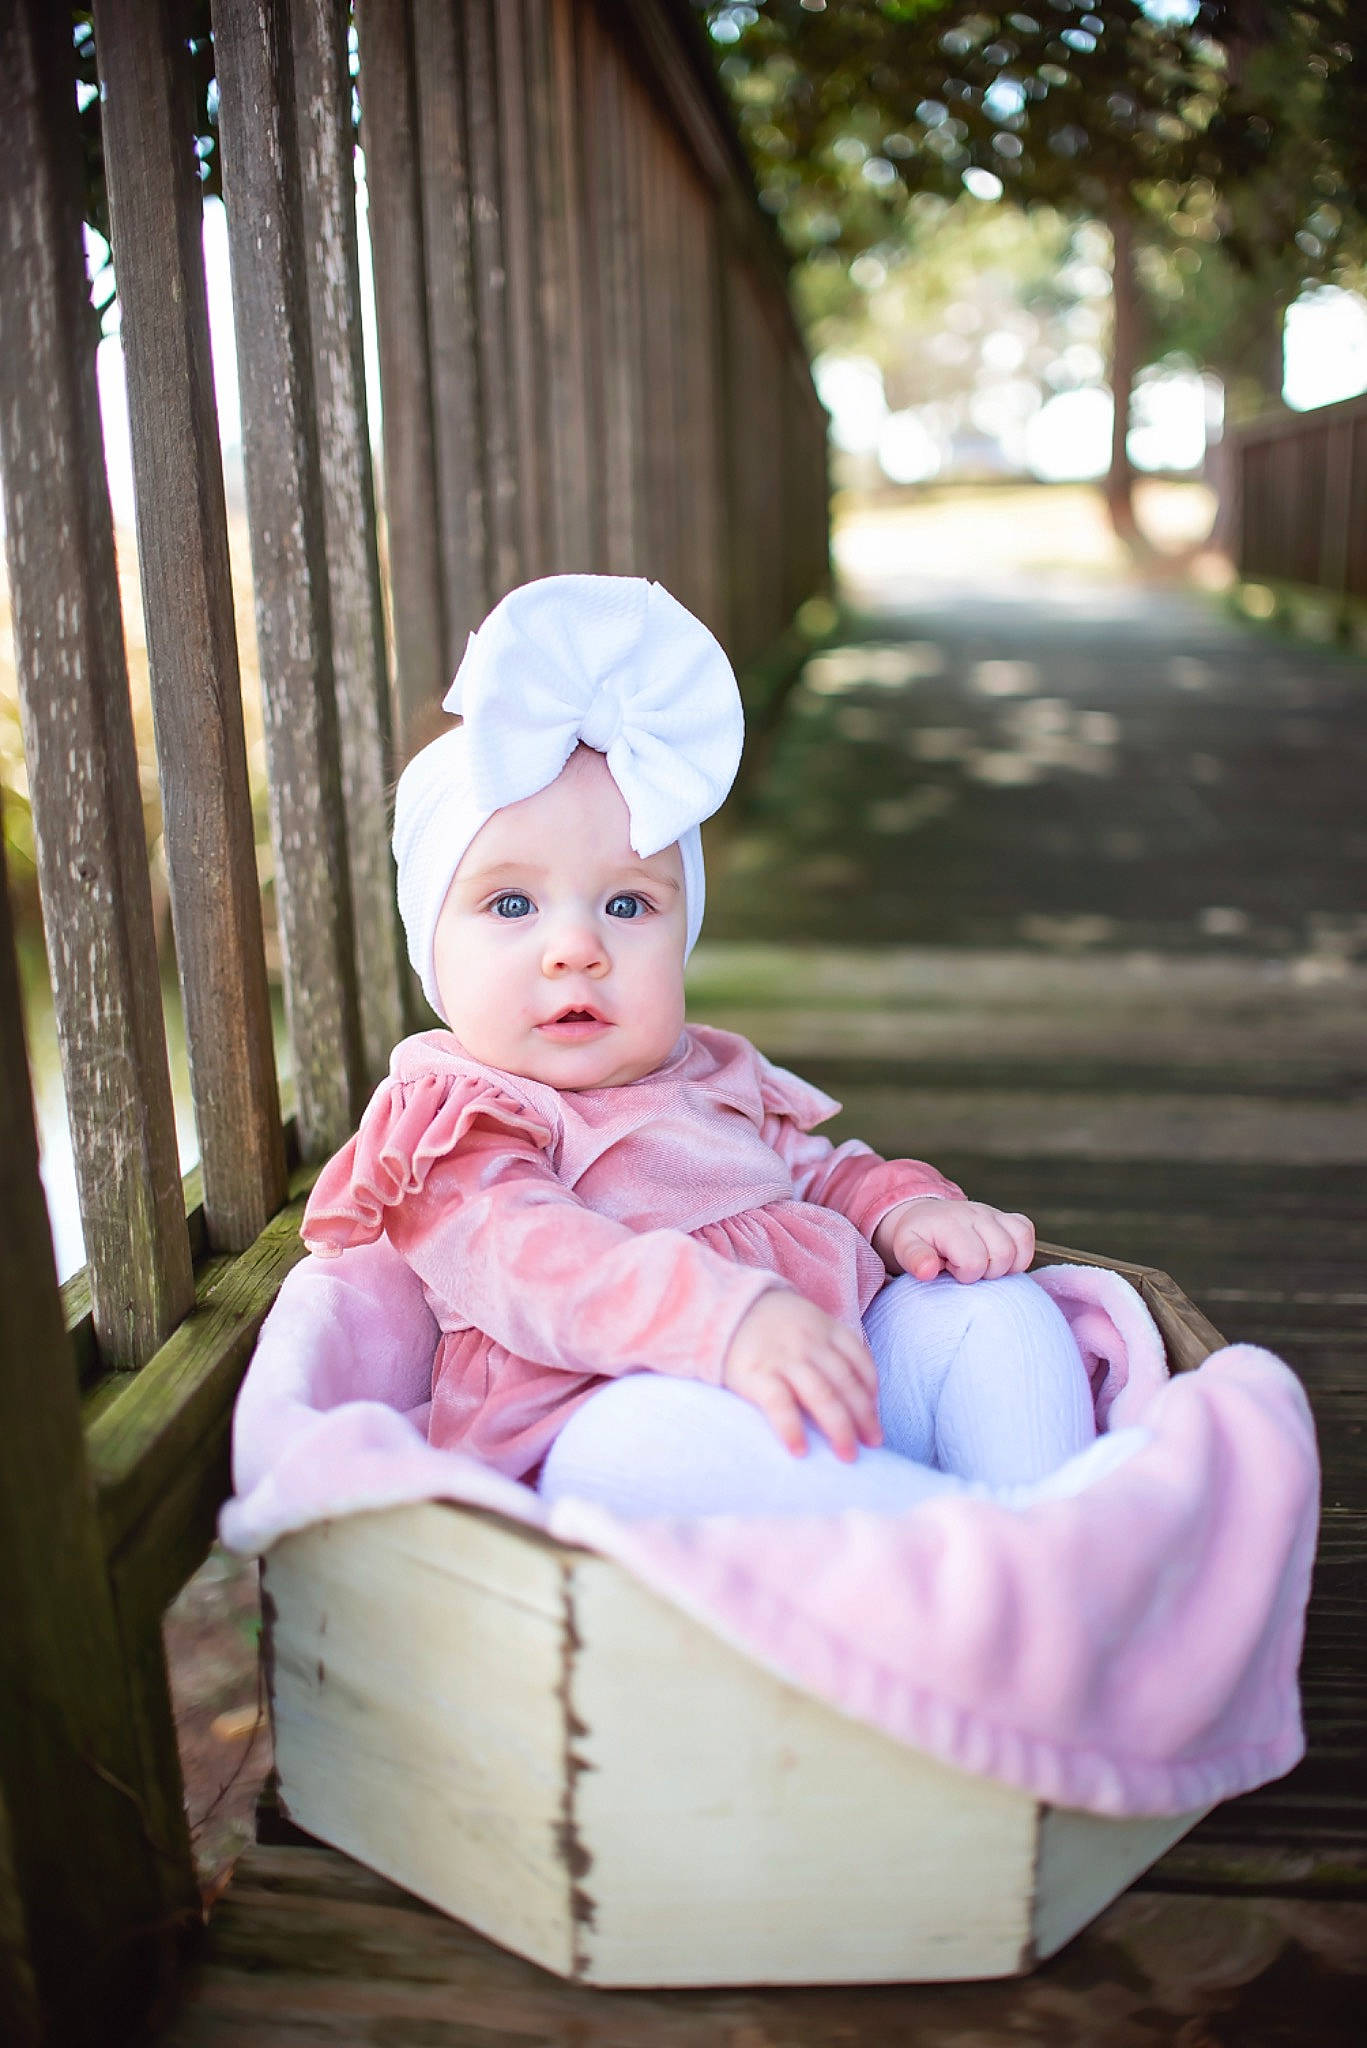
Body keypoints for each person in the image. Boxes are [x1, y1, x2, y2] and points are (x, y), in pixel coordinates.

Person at [300, 574, 1112, 1520]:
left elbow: (815, 1173)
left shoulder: (713, 1075)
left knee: (996, 1313)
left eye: (628, 904)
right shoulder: (462, 1119)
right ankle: (955, 1568)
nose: (576, 947)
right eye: (511, 904)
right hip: (595, 1416)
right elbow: (534, 1262)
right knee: (645, 1442)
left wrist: (904, 1208)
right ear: (430, 947)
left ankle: (1056, 1541)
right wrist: (722, 1321)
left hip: (823, 1375)